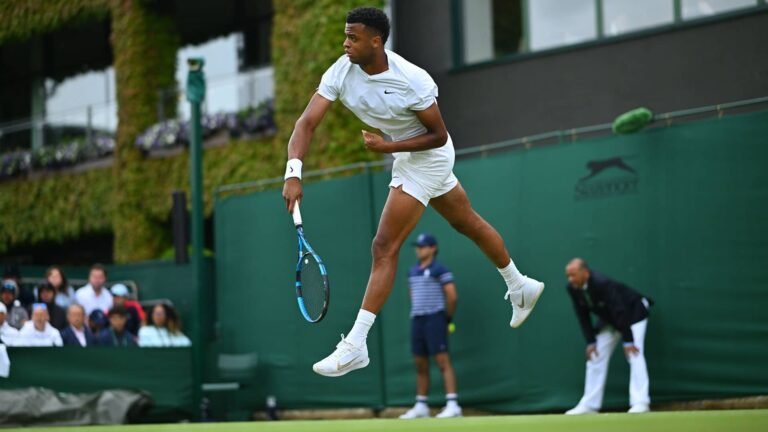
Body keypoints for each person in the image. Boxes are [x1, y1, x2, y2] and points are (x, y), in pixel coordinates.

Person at [281, 7, 545, 377]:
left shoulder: (412, 79)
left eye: (353, 38)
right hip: (406, 154)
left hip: (429, 156)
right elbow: (306, 122)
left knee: (383, 246)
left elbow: (438, 135)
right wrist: (294, 171)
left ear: (376, 41)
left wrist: (387, 149)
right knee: (467, 222)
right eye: (346, 36)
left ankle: (356, 344)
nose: (346, 43)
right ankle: (520, 285)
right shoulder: (341, 70)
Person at [563, 258, 653, 415]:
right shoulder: (572, 288)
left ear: (586, 273)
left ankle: (641, 402)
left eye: (573, 275)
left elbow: (620, 310)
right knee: (595, 355)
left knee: (634, 353)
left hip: (633, 311)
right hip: (610, 317)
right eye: (568, 276)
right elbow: (582, 315)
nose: (570, 279)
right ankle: (590, 405)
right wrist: (591, 342)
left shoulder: (602, 283)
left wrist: (628, 340)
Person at [399, 234, 461, 419]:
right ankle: (421, 406)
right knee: (420, 363)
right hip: (418, 319)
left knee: (443, 362)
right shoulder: (412, 271)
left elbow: (452, 296)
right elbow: (413, 295)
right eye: (417, 246)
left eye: (423, 246)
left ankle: (453, 404)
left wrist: (446, 318)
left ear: (433, 248)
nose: (419, 249)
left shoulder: (439, 269)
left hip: (436, 318)